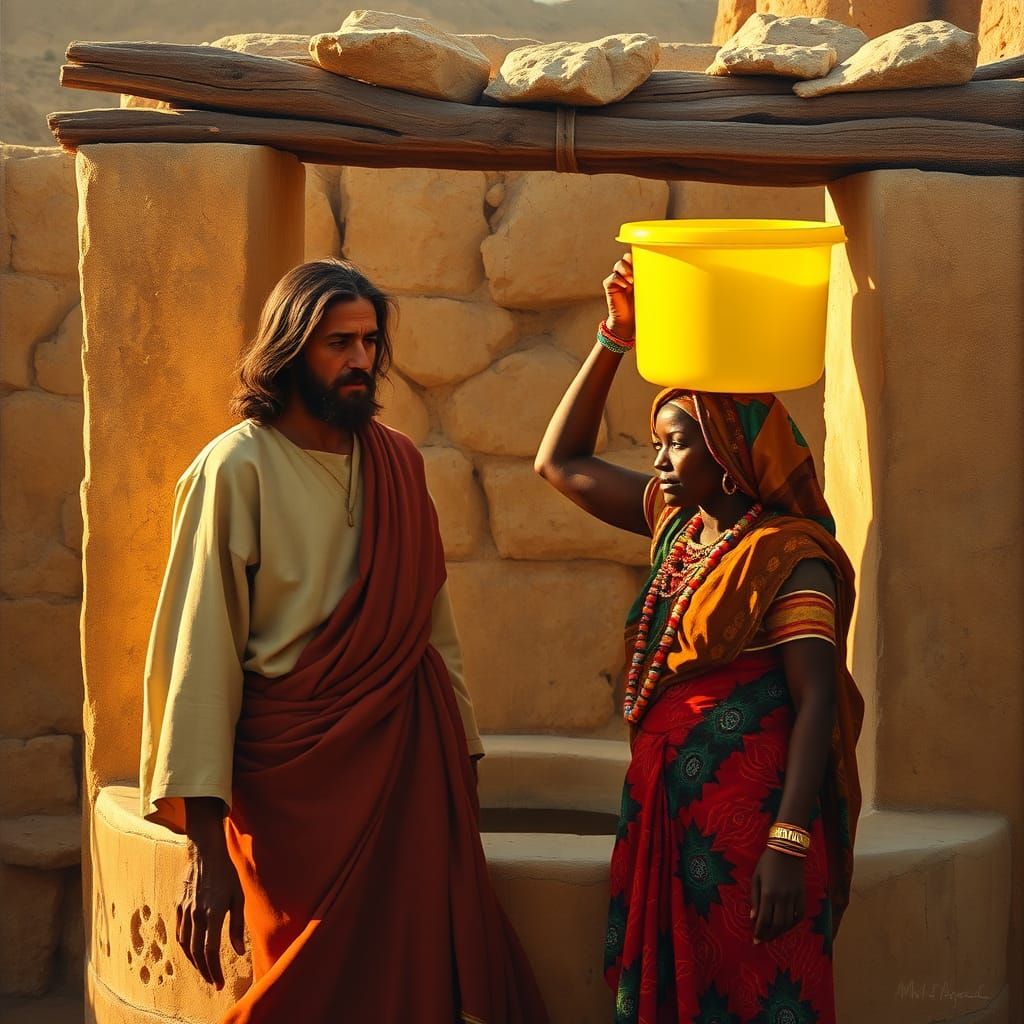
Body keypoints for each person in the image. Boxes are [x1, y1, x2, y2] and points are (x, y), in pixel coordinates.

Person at [140, 258, 548, 1023]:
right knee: (306, 988)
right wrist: (204, 845)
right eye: (339, 344)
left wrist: (461, 761)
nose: (361, 360)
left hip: (406, 766)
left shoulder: (398, 462)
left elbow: (434, 633)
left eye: (369, 342)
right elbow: (201, 655)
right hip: (293, 788)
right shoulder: (235, 468)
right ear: (291, 350)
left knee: (416, 980)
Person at [534, 253, 863, 1023]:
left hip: (752, 834)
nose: (658, 460)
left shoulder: (787, 556)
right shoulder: (676, 528)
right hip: (665, 815)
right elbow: (558, 462)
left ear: (729, 452)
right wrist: (614, 338)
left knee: (757, 998)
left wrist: (788, 840)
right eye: (656, 443)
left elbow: (817, 703)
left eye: (676, 443)